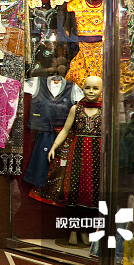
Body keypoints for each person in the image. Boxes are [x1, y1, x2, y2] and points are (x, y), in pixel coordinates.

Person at [47, 75, 103, 246]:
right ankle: (73, 231)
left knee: (92, 194)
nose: (91, 92)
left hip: (97, 155)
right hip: (77, 154)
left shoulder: (105, 110)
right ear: (83, 88)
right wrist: (54, 146)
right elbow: (65, 130)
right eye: (87, 88)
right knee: (73, 192)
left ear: (101, 90)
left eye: (95, 88)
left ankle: (85, 232)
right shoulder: (76, 109)